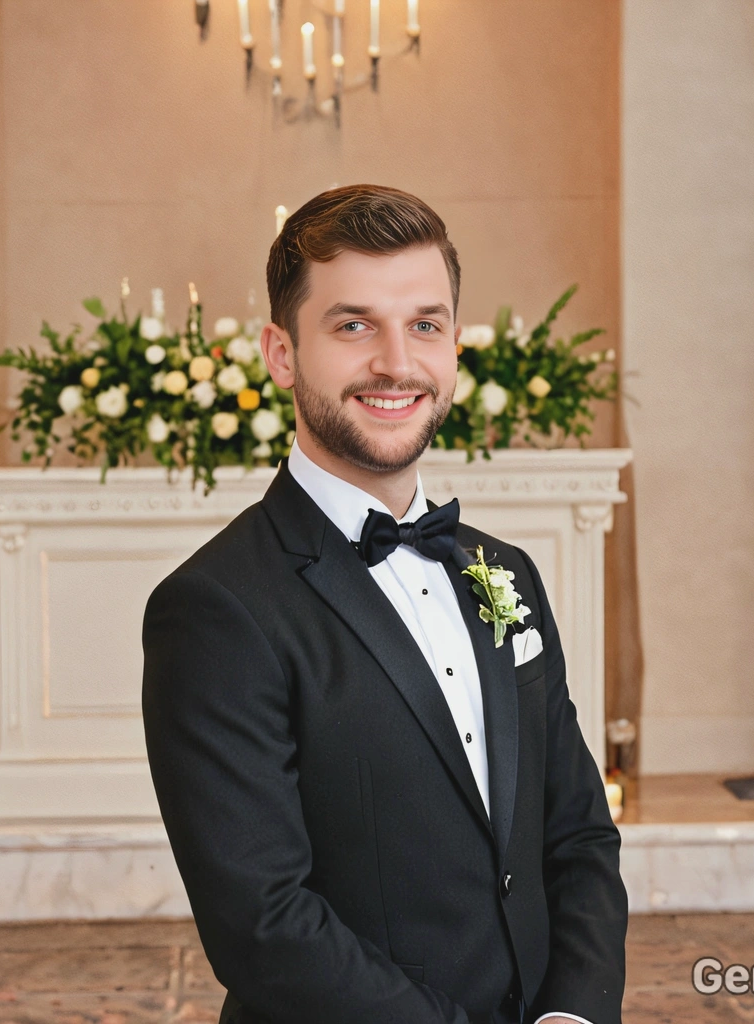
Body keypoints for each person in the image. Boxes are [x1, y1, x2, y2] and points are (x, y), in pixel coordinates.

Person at [141, 184, 628, 1024]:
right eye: (354, 324)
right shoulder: (214, 608)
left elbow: (577, 833)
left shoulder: (504, 572)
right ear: (282, 354)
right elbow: (264, 924)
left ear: (454, 346)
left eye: (425, 324)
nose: (397, 363)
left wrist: (573, 1013)